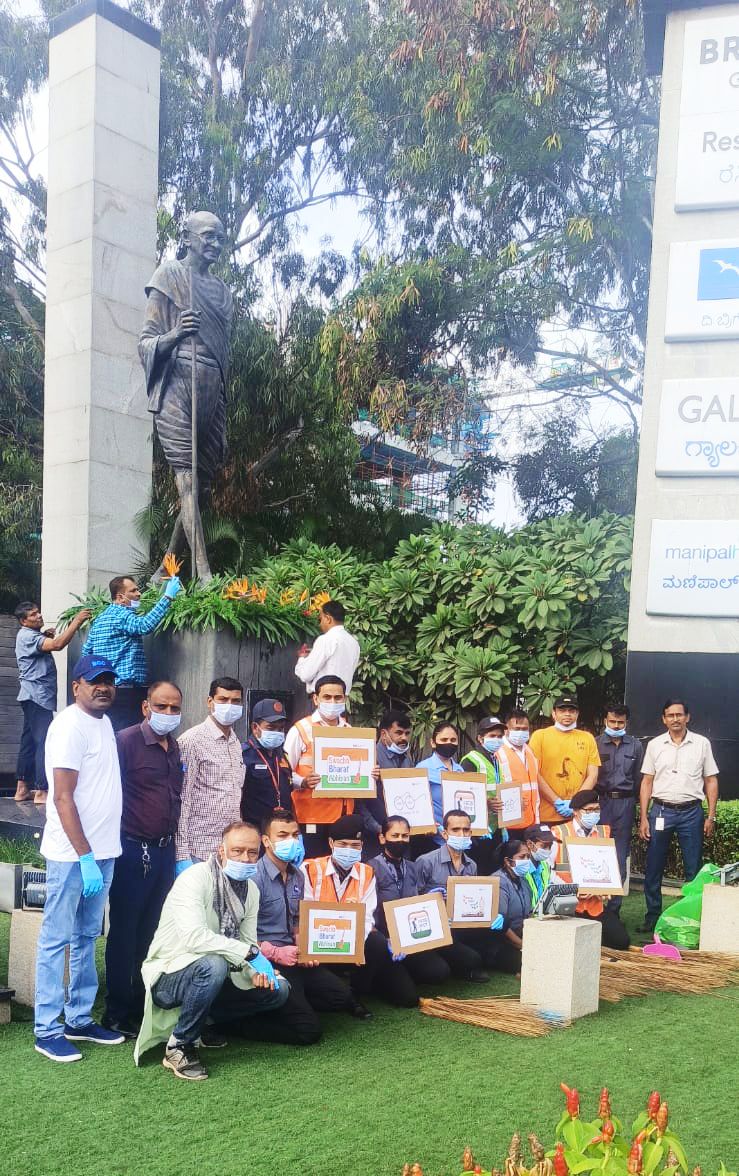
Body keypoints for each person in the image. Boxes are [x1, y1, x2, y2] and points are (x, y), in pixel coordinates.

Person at [134, 822, 289, 1080]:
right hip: (169, 973)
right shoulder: (194, 878)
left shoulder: (251, 889)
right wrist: (249, 953)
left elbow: (247, 940)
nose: (245, 858)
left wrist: (255, 972)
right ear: (221, 850)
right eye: (237, 850)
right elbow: (195, 938)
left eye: (252, 852)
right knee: (213, 963)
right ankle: (179, 1046)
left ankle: (204, 1022)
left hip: (219, 970)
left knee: (278, 989)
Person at [34, 654, 126, 1062]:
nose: (103, 687)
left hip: (104, 852)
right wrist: (85, 857)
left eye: (109, 681)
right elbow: (62, 797)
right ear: (76, 687)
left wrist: (99, 855)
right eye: (94, 681)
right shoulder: (69, 726)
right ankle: (46, 1029)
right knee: (56, 940)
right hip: (73, 857)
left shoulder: (103, 723)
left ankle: (79, 1018)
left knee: (86, 936)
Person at [139, 211, 234, 584]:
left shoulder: (222, 293)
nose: (215, 244)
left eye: (220, 238)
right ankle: (205, 574)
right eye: (208, 236)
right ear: (187, 237)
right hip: (178, 382)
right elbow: (146, 343)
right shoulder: (168, 277)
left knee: (201, 488)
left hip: (212, 387)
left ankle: (164, 570)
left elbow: (224, 351)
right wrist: (176, 333)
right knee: (187, 481)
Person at [103, 681, 185, 1038]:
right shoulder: (125, 742)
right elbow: (107, 793)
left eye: (174, 708)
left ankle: (142, 1003)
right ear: (145, 707)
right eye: (161, 706)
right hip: (133, 849)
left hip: (165, 851)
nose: (168, 713)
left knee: (152, 931)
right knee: (125, 932)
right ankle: (117, 1011)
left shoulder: (174, 747)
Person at [247, 809, 359, 1040]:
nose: (291, 841)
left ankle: (291, 1002)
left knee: (342, 997)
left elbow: (297, 919)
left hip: (295, 956)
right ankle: (238, 1023)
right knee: (308, 1031)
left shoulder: (297, 875)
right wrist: (275, 952)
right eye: (282, 835)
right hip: (265, 960)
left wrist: (305, 946)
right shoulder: (253, 878)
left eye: (295, 835)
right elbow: (238, 934)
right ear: (266, 841)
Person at [638, 699, 719, 934]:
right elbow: (647, 781)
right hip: (661, 811)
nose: (675, 719)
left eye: (679, 715)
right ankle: (652, 917)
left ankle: (691, 920)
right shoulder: (655, 745)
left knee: (693, 869)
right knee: (654, 867)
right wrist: (644, 817)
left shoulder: (702, 744)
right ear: (664, 719)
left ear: (687, 717)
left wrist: (711, 816)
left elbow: (711, 780)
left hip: (691, 813)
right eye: (670, 715)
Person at [302, 814, 394, 1014]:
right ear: (331, 843)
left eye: (355, 845)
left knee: (376, 942)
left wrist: (356, 947)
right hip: (318, 939)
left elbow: (367, 916)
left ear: (362, 846)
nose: (349, 850)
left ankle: (356, 994)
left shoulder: (367, 872)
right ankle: (331, 990)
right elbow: (304, 913)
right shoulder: (309, 869)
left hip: (349, 939)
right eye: (343, 844)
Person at [82, 574, 182, 732]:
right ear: (120, 597)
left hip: (107, 689)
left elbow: (86, 653)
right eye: (133, 591)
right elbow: (144, 625)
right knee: (128, 737)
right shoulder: (121, 614)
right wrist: (167, 596)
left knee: (112, 734)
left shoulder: (100, 619)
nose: (139, 594)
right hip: (126, 692)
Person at [368, 815, 451, 1004]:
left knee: (440, 972)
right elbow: (367, 913)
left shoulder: (412, 867)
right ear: (382, 838)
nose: (400, 840)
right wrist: (384, 940)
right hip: (384, 940)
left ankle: (403, 973)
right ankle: (379, 978)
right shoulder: (370, 868)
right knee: (407, 998)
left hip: (409, 938)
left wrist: (431, 899)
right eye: (395, 835)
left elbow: (416, 902)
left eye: (405, 836)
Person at [13, 600, 90, 803]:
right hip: (37, 696)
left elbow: (46, 645)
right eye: (33, 615)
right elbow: (57, 644)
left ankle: (22, 789)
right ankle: (42, 790)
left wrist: (45, 636)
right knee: (44, 741)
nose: (39, 615)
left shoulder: (31, 635)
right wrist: (77, 621)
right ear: (23, 621)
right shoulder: (28, 636)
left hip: (32, 696)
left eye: (38, 612)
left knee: (29, 742)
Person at [415, 809, 497, 981]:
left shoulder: (472, 865)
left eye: (466, 830)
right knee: (470, 960)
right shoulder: (426, 861)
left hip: (461, 925)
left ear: (471, 833)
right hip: (437, 927)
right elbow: (412, 900)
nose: (461, 834)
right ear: (445, 834)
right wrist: (430, 899)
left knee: (495, 932)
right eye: (455, 830)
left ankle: (462, 960)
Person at [175, 677, 246, 871]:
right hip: (198, 849)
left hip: (229, 849)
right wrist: (182, 854)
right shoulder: (192, 741)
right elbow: (182, 799)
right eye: (223, 699)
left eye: (235, 701)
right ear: (210, 702)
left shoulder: (235, 742)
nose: (229, 705)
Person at [284, 675, 353, 857]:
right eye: (327, 697)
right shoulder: (301, 729)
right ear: (316, 699)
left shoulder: (350, 731)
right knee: (312, 866)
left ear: (345, 699)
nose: (333, 702)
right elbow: (285, 771)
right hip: (311, 816)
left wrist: (370, 774)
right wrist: (303, 782)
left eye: (338, 697)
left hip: (343, 816)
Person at [554, 788, 630, 949]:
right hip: (568, 904)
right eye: (588, 810)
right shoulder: (558, 833)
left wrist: (606, 889)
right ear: (575, 811)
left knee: (621, 941)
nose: (593, 814)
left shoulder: (603, 833)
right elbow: (548, 873)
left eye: (596, 809)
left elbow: (609, 867)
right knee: (573, 945)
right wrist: (572, 890)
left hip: (595, 904)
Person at [596, 703, 644, 914]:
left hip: (625, 804)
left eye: (620, 722)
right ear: (605, 720)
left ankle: (613, 910)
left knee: (619, 855)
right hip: (600, 803)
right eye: (612, 721)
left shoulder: (635, 746)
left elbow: (640, 778)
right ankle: (594, 907)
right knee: (597, 853)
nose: (616, 726)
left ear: (627, 723)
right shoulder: (595, 744)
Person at [529, 695, 601, 825]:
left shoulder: (588, 738)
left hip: (578, 814)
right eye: (562, 710)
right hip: (546, 813)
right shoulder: (539, 736)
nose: (567, 714)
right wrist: (556, 801)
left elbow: (593, 775)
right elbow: (534, 773)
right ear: (554, 713)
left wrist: (576, 802)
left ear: (577, 714)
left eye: (571, 711)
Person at [358, 708, 414, 859]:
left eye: (407, 733)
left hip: (401, 837)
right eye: (398, 733)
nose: (404, 738)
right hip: (374, 837)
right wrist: (377, 828)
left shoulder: (407, 759)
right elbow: (359, 802)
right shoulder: (368, 757)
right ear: (384, 734)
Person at [460, 716, 507, 872]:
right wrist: (486, 803)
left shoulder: (495, 760)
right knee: (479, 872)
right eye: (492, 736)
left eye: (500, 736)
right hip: (478, 830)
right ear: (480, 738)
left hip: (494, 828)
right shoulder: (470, 760)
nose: (497, 740)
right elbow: (465, 795)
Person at [241, 698, 293, 827]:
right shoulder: (243, 755)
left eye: (280, 729)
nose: (277, 733)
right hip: (255, 828)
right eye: (271, 728)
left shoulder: (281, 754)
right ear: (255, 727)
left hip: (281, 827)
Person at [294, 600, 360, 698]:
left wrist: (302, 658)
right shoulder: (354, 643)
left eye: (320, 619)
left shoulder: (326, 640)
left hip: (324, 697)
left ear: (328, 619)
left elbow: (305, 675)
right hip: (341, 699)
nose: (320, 624)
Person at [415, 721, 464, 851]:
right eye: (444, 739)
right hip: (432, 839)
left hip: (458, 838)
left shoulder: (460, 770)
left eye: (453, 740)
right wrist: (426, 824)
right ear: (433, 742)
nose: (449, 743)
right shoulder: (423, 768)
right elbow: (417, 803)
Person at [490, 840, 535, 973]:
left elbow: (529, 914)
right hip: (501, 944)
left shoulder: (524, 881)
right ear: (508, 861)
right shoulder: (497, 882)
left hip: (522, 937)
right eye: (522, 857)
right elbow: (502, 928)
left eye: (528, 857)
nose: (526, 861)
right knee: (532, 960)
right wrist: (523, 945)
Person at [522, 824, 558, 908]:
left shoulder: (545, 865)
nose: (548, 850)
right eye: (544, 846)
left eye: (550, 846)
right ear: (529, 844)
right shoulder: (521, 868)